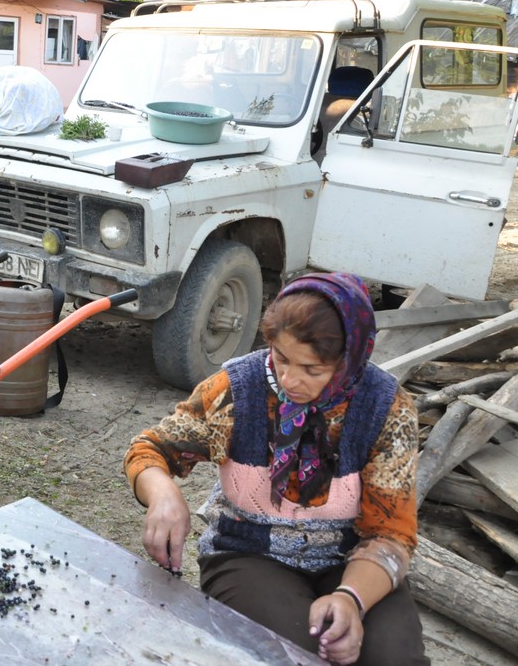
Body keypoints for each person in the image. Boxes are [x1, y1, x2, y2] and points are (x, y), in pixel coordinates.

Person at [125, 272, 427, 666]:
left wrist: (350, 597)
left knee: (394, 657)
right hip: (249, 554)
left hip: (351, 559)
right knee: (297, 653)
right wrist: (164, 494)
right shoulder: (238, 390)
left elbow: (392, 533)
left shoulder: (386, 409)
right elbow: (150, 449)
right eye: (280, 358)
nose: (289, 379)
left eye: (312, 370)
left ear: (349, 360)